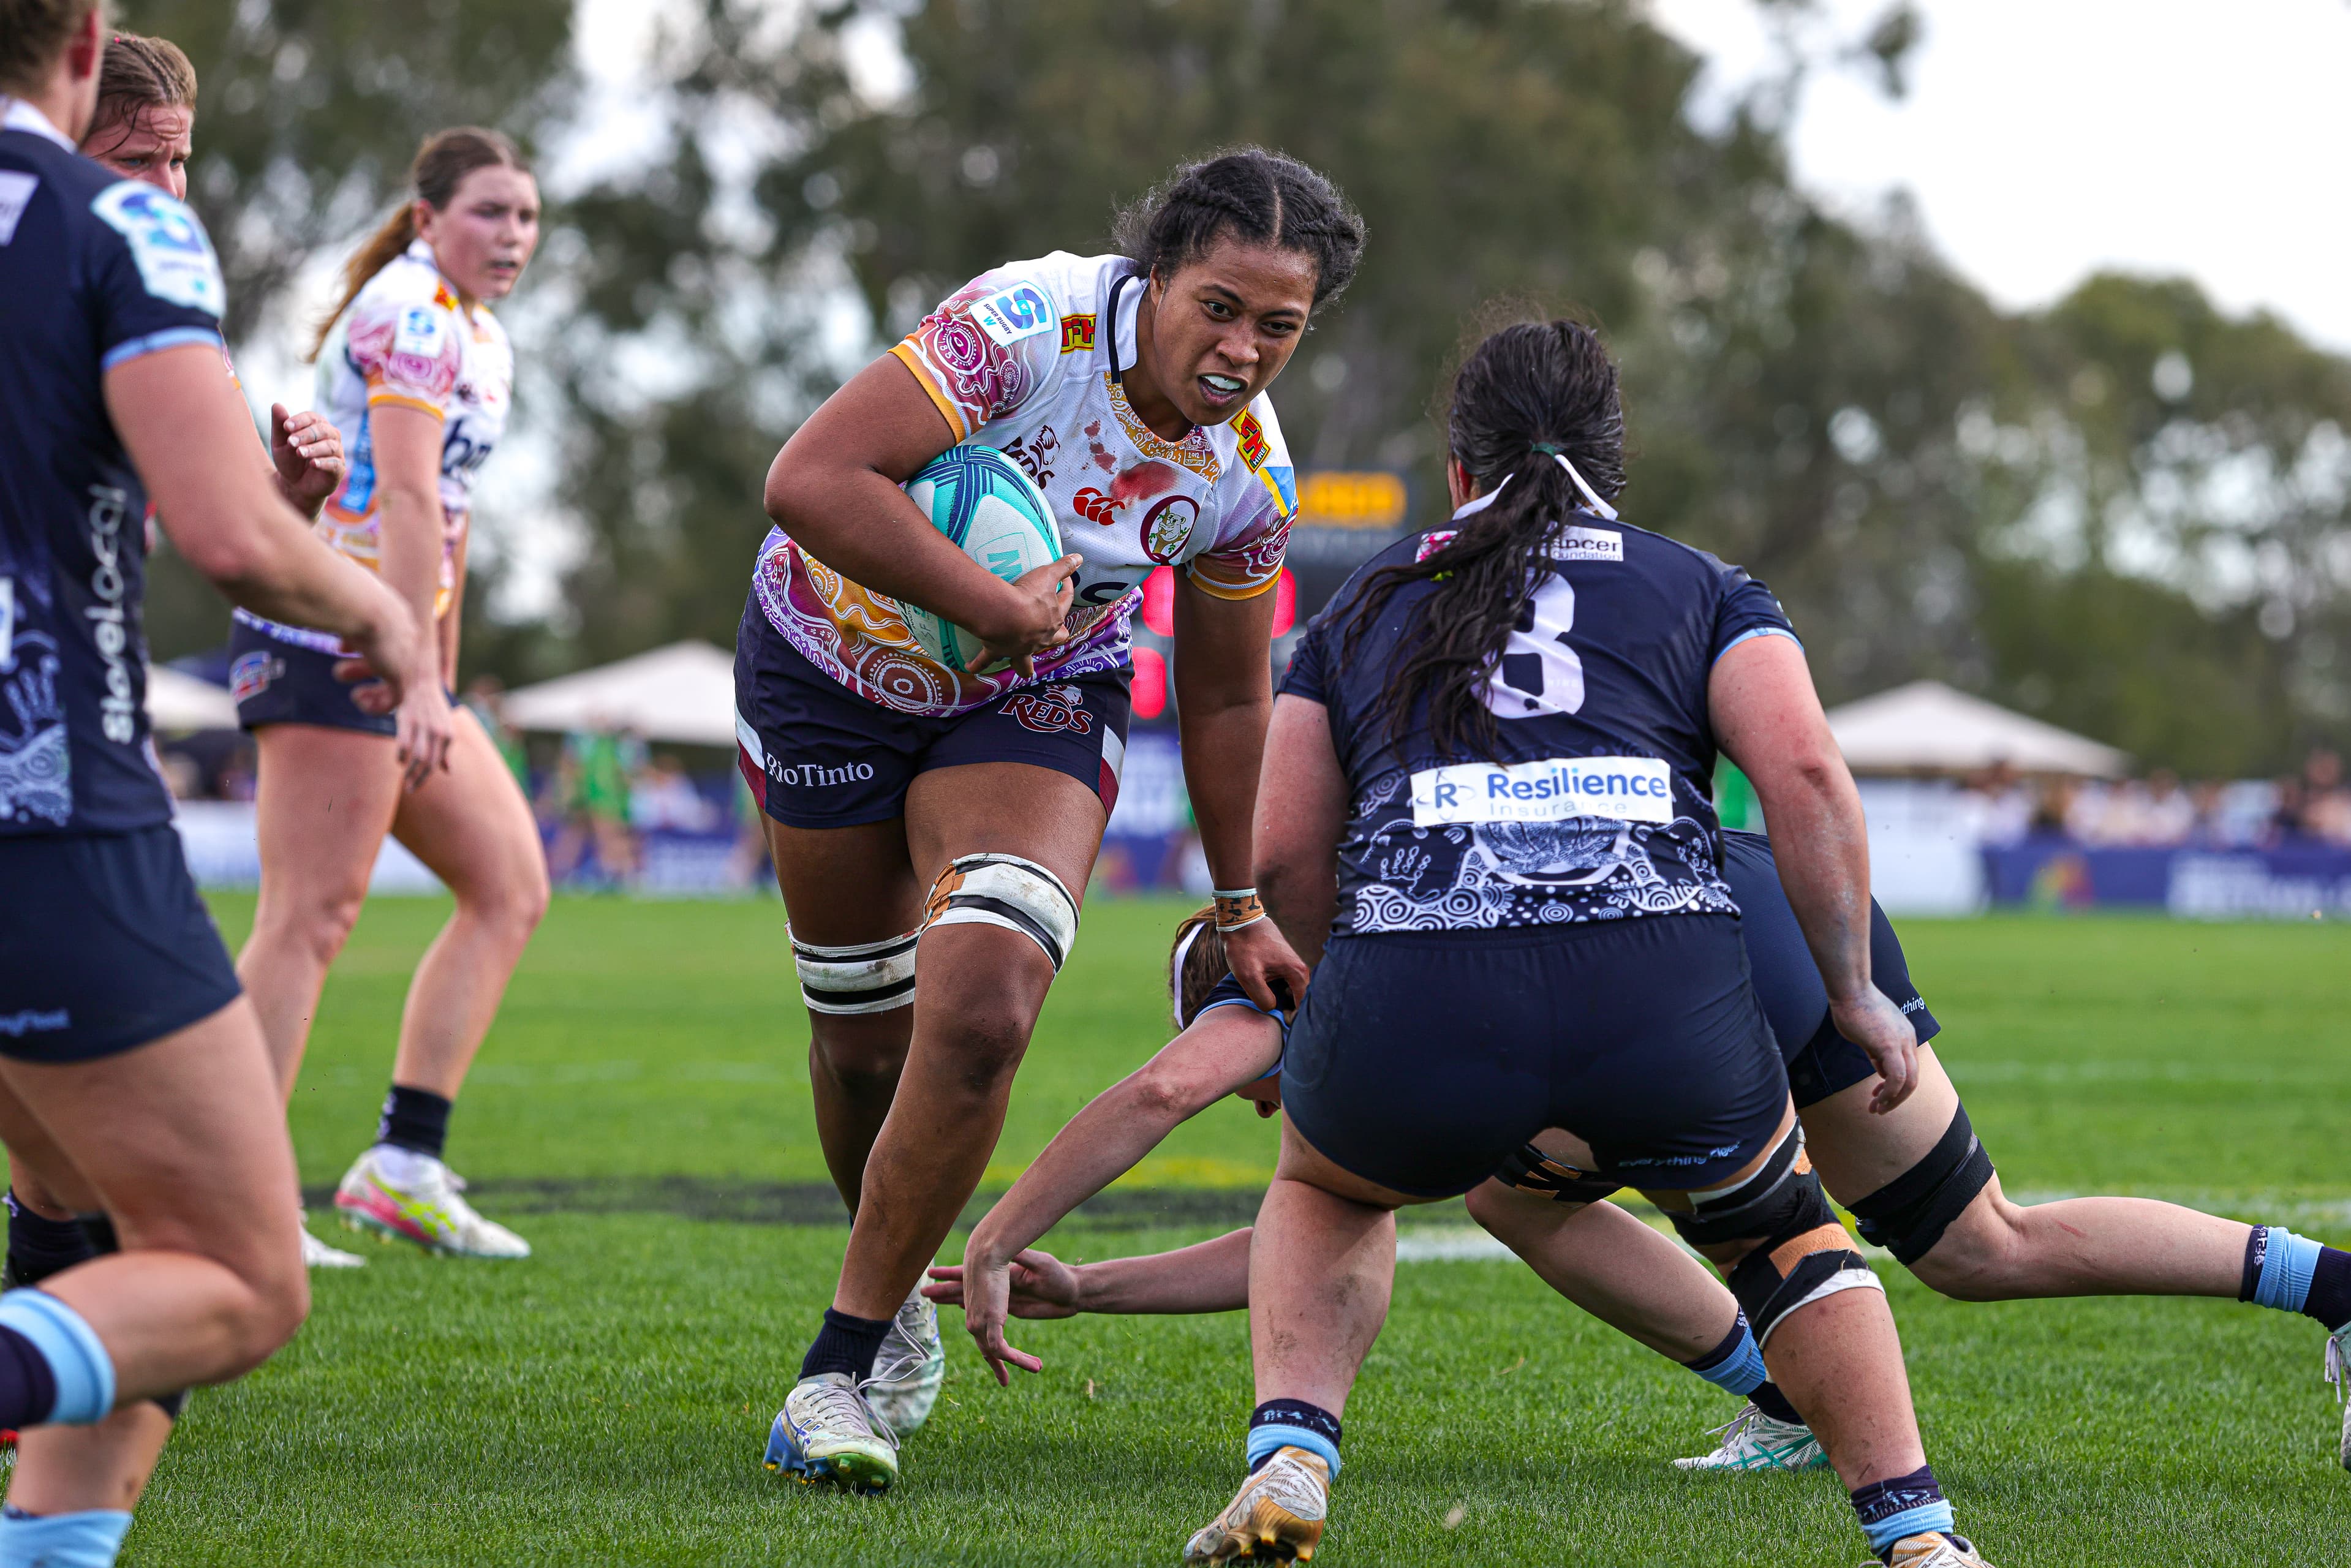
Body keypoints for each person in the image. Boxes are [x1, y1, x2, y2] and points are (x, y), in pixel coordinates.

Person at [1174, 317, 1993, 1567]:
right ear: (1614, 460)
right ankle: (1919, 1536)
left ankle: (1293, 1453)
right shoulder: (1702, 585)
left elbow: (1283, 856)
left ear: (1458, 469)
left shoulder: (1359, 605)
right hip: (1658, 986)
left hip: (1420, 984)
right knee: (1780, 1232)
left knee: (1329, 1187)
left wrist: (1330, 1005)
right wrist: (1852, 993)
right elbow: (1807, 779)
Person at [932, 826, 2351, 1481]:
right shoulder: (1370, 902)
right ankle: (2331, 1286)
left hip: (1667, 961)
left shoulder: (1285, 970)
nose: (1262, 1102)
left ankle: (1793, 1404)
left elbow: (1168, 1090)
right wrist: (1093, 1284)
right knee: (1983, 1240)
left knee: (1530, 1180)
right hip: (1745, 886)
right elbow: (1314, 1236)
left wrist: (997, 1239)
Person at [744, 148, 1357, 1492]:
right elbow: (810, 478)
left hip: (1032, 697)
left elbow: (1225, 697)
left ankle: (838, 1366)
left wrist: (1241, 902)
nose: (1241, 350)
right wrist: (985, 599)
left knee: (983, 1004)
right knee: (860, 1042)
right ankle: (898, 1283)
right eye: (1218, 308)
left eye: (1278, 326)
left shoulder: (1247, 478)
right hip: (824, 672)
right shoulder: (1025, 328)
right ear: (1156, 276)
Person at [0, 2, 445, 1560]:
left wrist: (274, 512)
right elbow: (227, 537)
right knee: (241, 1272)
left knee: (83, 1214)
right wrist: (386, 613)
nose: (170, 185)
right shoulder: (110, 230)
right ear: (82, 42)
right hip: (42, 800)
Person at [227, 126, 550, 1262]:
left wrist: (439, 678)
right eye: (489, 212)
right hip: (332, 639)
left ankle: (401, 1167)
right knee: (308, 919)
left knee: (508, 885)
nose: (513, 234)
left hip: (396, 649)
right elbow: (406, 499)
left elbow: (450, 523)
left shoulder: (479, 332)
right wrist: (414, 672)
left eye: (526, 215)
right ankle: (236, 1200)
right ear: (427, 220)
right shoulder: (411, 313)